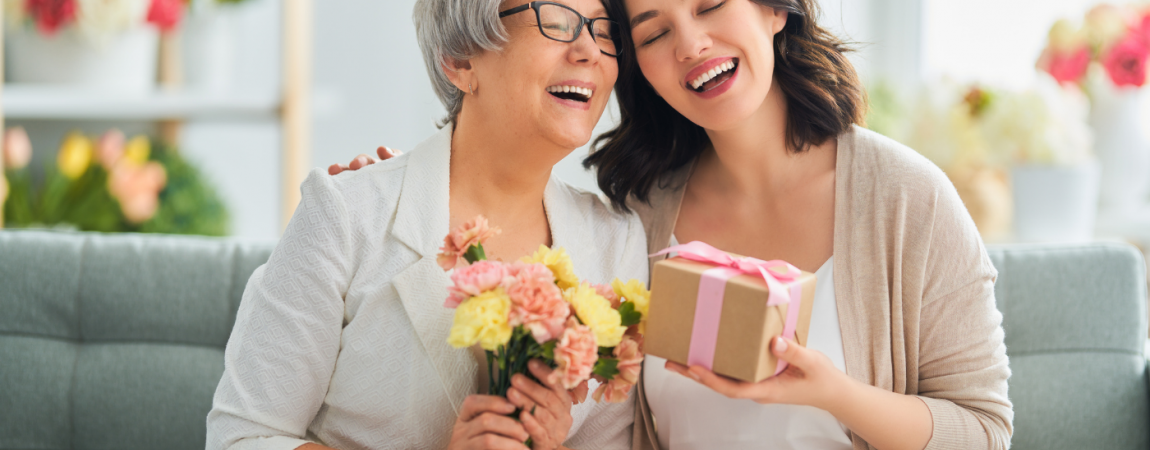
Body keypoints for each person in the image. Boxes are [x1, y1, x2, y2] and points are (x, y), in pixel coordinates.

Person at [333, 1, 1012, 449]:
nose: (691, 44)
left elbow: (985, 430)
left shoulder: (906, 201)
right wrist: (410, 193)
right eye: (654, 33)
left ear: (774, 9)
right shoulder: (635, 218)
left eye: (711, 4)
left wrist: (835, 395)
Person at [206, 0, 646, 449]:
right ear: (459, 61)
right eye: (556, 23)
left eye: (606, 30)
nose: (590, 50)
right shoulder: (346, 213)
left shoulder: (617, 241)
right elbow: (244, 437)